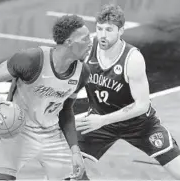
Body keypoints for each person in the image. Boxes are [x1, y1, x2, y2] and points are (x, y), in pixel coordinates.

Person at [0, 15, 91, 180]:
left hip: (53, 134)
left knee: (78, 177)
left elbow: (66, 110)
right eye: (85, 38)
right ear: (69, 42)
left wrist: (74, 150)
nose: (91, 42)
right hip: (18, 132)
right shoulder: (32, 59)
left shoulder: (82, 72)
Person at [76, 4, 180, 179]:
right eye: (99, 29)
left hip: (139, 124)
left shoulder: (133, 59)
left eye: (109, 30)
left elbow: (142, 105)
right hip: (99, 122)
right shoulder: (87, 50)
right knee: (69, 166)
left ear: (121, 30)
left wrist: (102, 120)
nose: (102, 34)